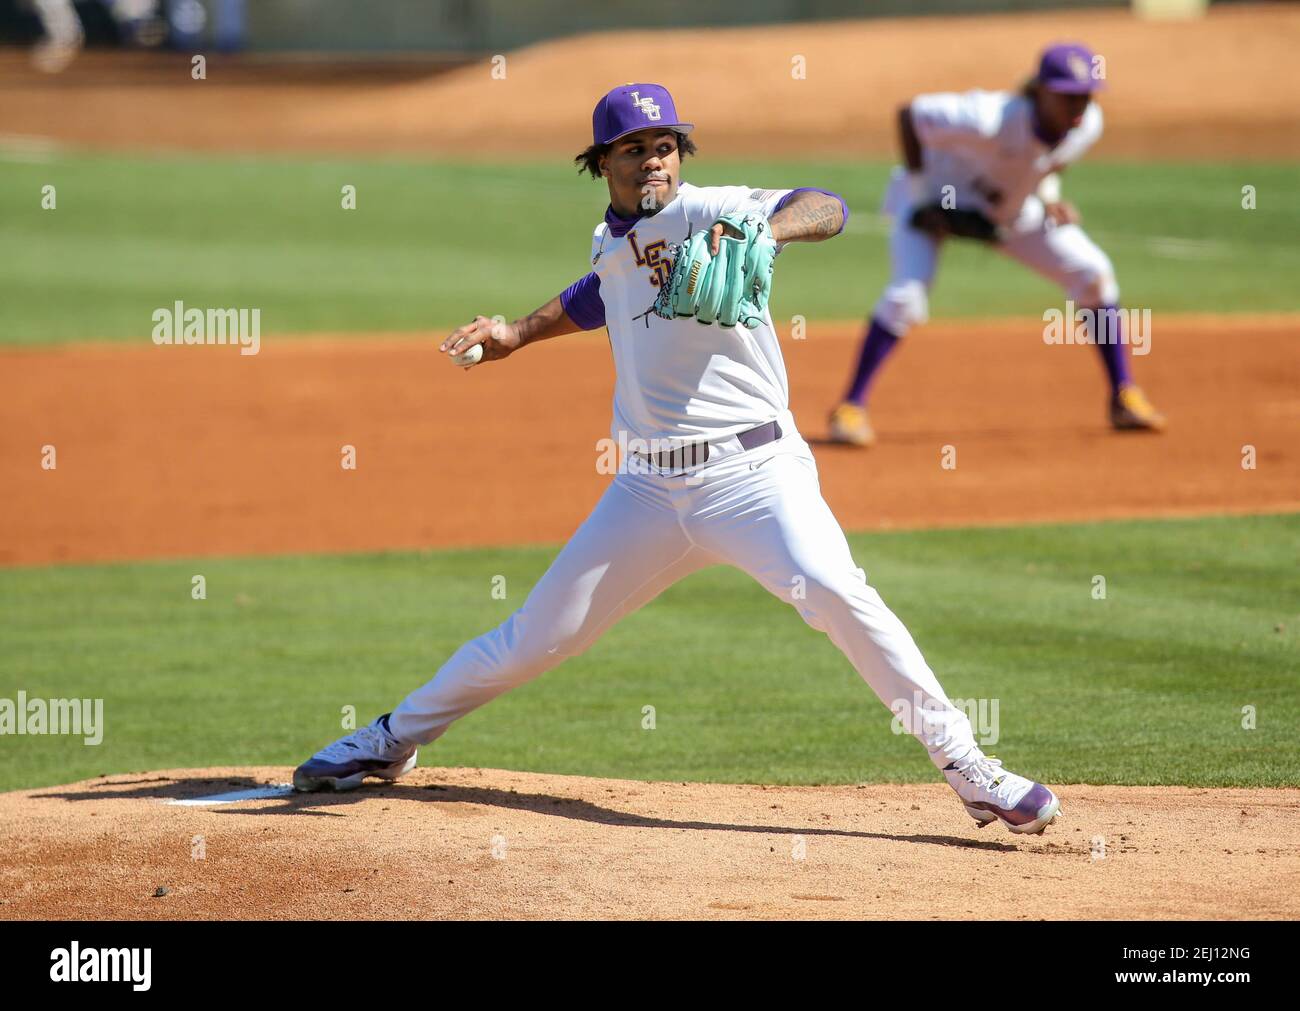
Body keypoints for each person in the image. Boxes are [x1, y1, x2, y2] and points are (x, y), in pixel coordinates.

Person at [293, 83, 1061, 835]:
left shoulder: (714, 208)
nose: (654, 161)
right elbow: (601, 289)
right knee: (536, 635)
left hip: (754, 478)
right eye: (635, 149)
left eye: (665, 147)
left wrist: (768, 232)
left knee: (837, 590)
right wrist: (518, 333)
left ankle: (969, 767)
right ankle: (392, 738)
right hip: (648, 493)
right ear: (603, 164)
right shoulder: (613, 237)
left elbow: (828, 203)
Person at [829, 42, 1165, 447]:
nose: (1079, 105)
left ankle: (1123, 396)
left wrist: (1050, 195)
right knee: (907, 298)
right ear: (1040, 90)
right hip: (934, 203)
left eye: (1086, 94)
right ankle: (850, 407)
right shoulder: (988, 118)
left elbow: (1044, 162)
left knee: (1092, 272)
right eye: (1067, 95)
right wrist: (922, 201)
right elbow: (909, 114)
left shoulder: (1087, 124)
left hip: (1011, 210)